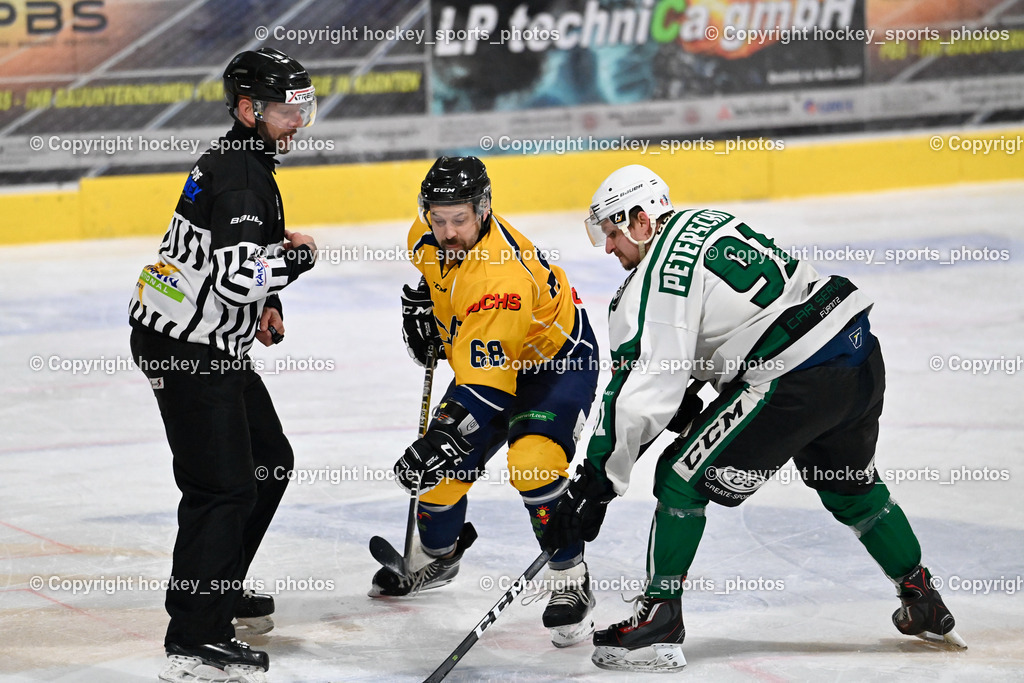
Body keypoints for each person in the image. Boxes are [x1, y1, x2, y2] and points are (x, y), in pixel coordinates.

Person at [541, 164, 965, 672]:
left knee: (679, 479)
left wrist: (596, 481)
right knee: (851, 487)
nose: (608, 248)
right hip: (855, 356)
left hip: (794, 379)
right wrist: (687, 394)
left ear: (640, 219)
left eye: (612, 232)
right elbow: (734, 318)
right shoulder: (708, 220)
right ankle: (921, 596)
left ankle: (659, 620)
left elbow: (641, 388)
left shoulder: (655, 274)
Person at [128, 47, 318, 683]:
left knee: (270, 462)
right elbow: (238, 276)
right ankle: (195, 637)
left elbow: (227, 260)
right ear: (247, 110)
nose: (298, 121)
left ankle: (215, 588)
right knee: (222, 488)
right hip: (188, 351)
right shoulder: (242, 176)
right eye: (288, 110)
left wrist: (269, 299)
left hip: (206, 343)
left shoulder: (239, 161)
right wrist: (296, 263)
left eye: (302, 107)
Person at [370, 155, 601, 647]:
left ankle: (569, 580)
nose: (449, 231)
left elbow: (489, 391)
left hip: (552, 367)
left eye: (460, 219)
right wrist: (433, 322)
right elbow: (448, 298)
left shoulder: (501, 281)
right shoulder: (426, 236)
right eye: (439, 218)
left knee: (533, 464)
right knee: (436, 481)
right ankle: (440, 556)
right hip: (490, 363)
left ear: (483, 210)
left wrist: (443, 434)